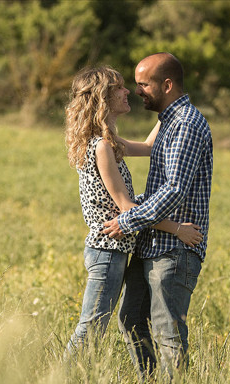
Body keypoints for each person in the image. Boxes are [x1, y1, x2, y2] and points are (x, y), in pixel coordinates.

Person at [63, 65, 203, 356]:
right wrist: (177, 229)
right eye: (119, 88)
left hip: (113, 251)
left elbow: (151, 147)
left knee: (95, 327)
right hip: (107, 251)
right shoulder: (101, 147)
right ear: (103, 97)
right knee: (91, 328)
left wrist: (169, 107)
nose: (128, 91)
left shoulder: (108, 143)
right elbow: (126, 207)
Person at [102, 53, 213, 381]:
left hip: (174, 250)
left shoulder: (187, 124)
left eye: (143, 84)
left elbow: (175, 189)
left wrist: (127, 221)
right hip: (152, 243)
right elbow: (141, 148)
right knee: (131, 319)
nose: (138, 91)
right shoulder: (168, 120)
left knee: (167, 334)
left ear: (167, 84)